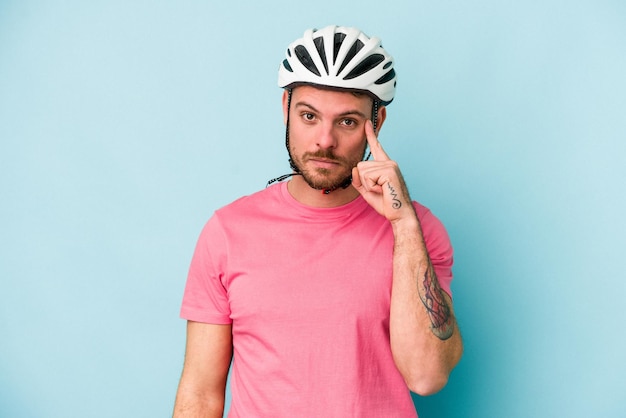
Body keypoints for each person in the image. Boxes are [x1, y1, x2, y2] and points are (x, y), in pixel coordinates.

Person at [173, 25, 463, 417]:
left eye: (346, 122)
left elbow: (428, 377)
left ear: (375, 124)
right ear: (285, 111)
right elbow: (201, 393)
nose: (324, 140)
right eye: (309, 116)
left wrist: (404, 225)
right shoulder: (228, 232)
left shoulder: (419, 230)